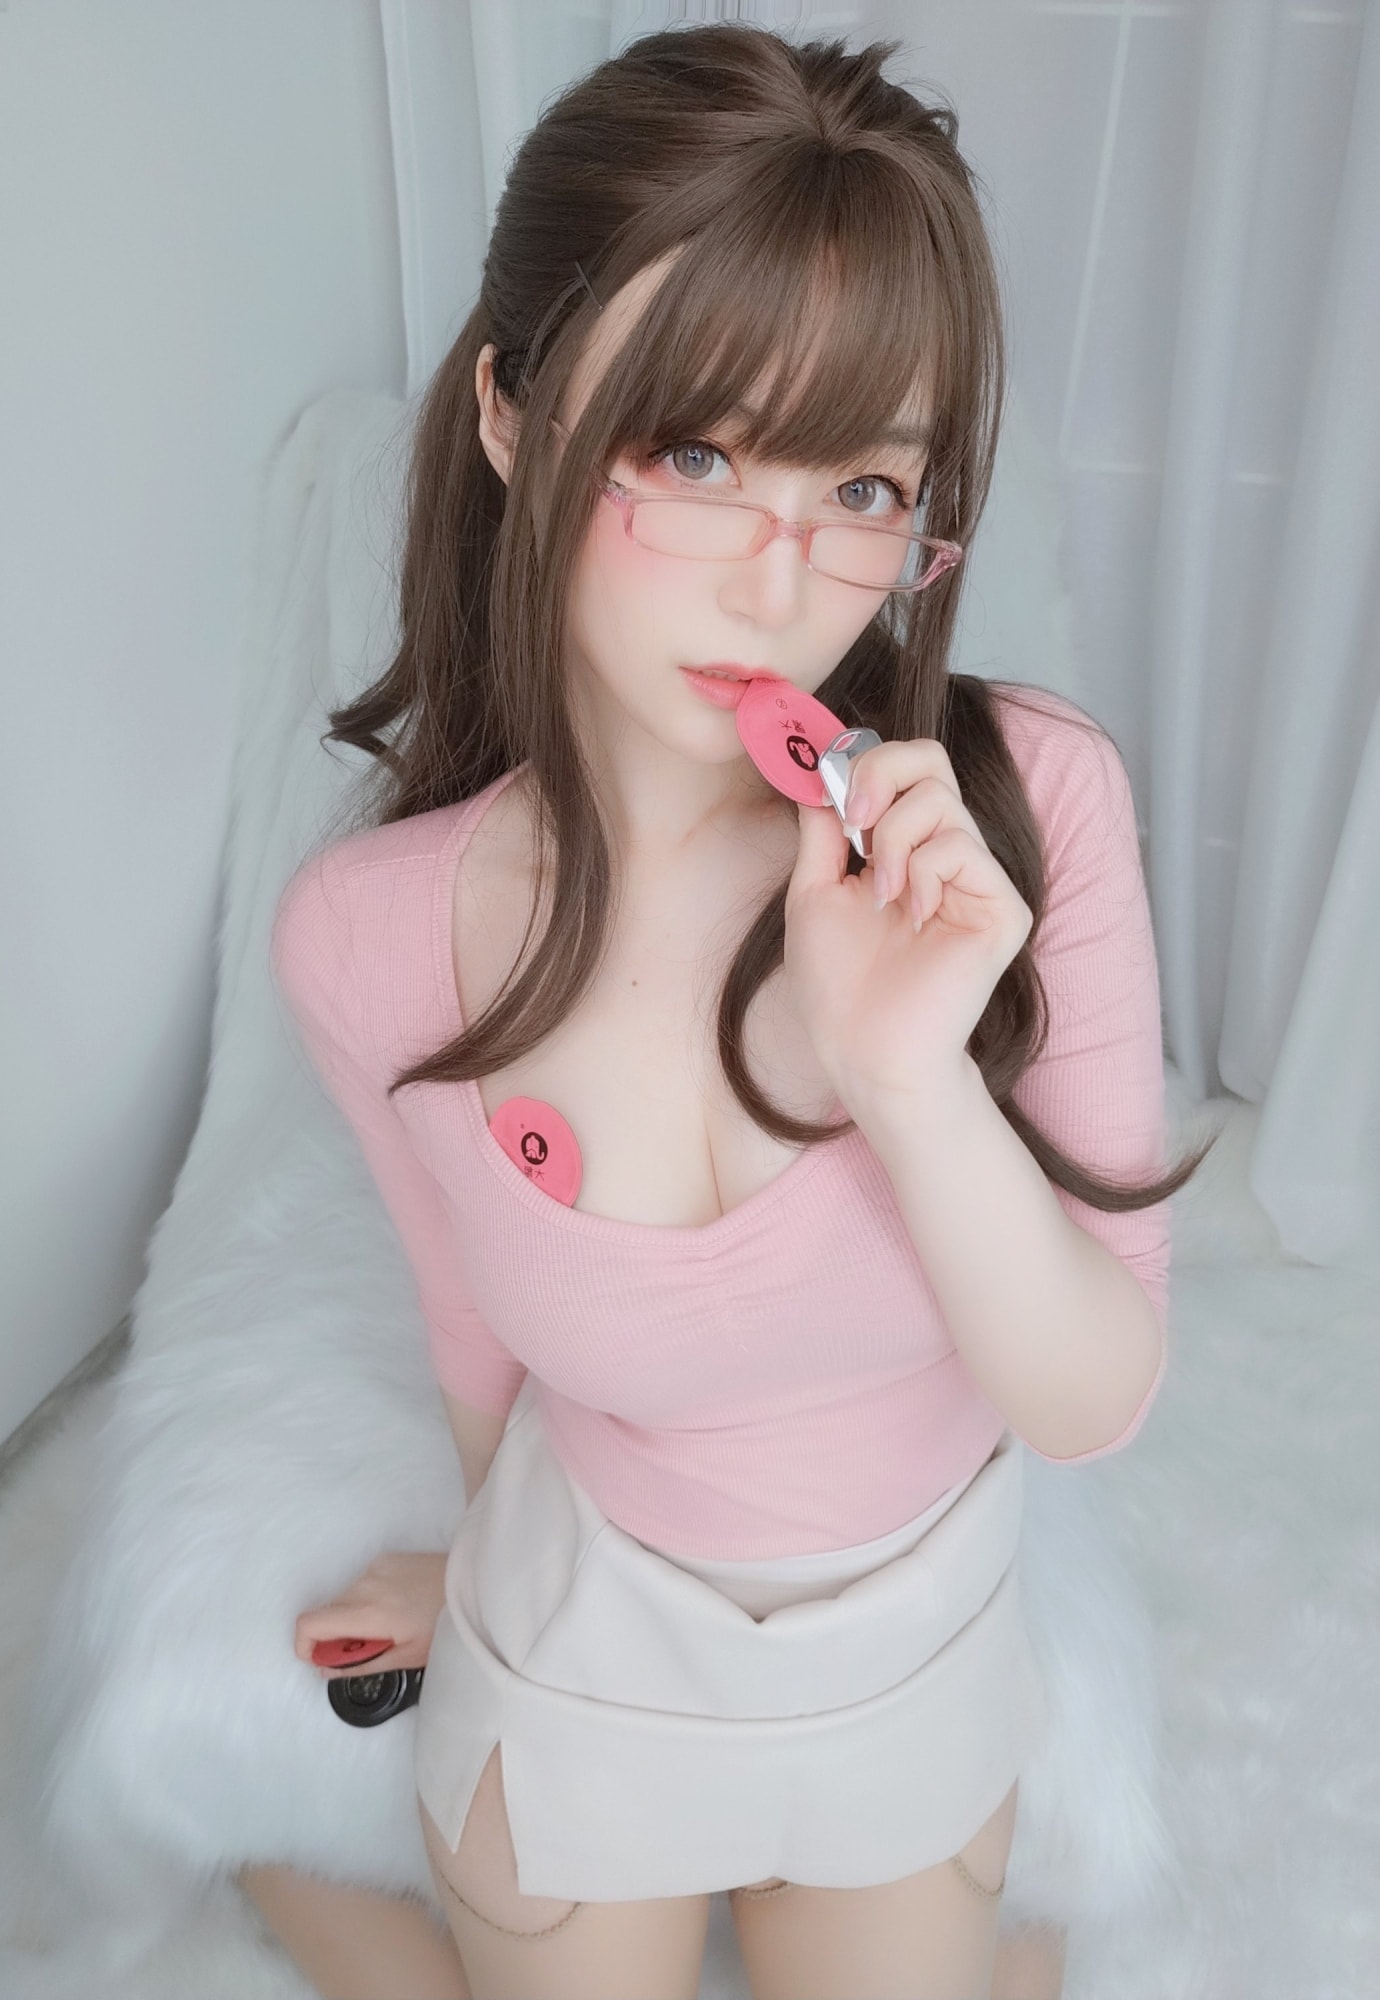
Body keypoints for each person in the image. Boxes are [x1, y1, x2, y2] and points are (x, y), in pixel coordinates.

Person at [245, 23, 1211, 1999]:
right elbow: (474, 1328)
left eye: (861, 483)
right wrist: (481, 1571)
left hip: (916, 1668)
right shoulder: (373, 935)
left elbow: (1089, 1399)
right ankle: (284, 1881)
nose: (783, 588)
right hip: (578, 1672)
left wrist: (907, 1077)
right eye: (694, 454)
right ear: (512, 410)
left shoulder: (1030, 814)